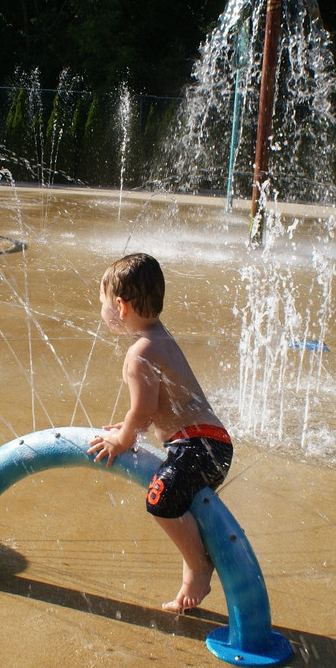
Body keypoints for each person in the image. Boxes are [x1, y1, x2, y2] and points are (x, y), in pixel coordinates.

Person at [87, 253, 233, 613]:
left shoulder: (139, 354)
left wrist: (122, 439)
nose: (102, 311)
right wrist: (128, 426)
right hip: (211, 444)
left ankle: (198, 569)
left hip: (197, 446)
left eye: (102, 302)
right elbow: (158, 406)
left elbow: (143, 411)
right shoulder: (158, 338)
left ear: (120, 307)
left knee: (160, 502)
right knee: (182, 506)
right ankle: (195, 569)